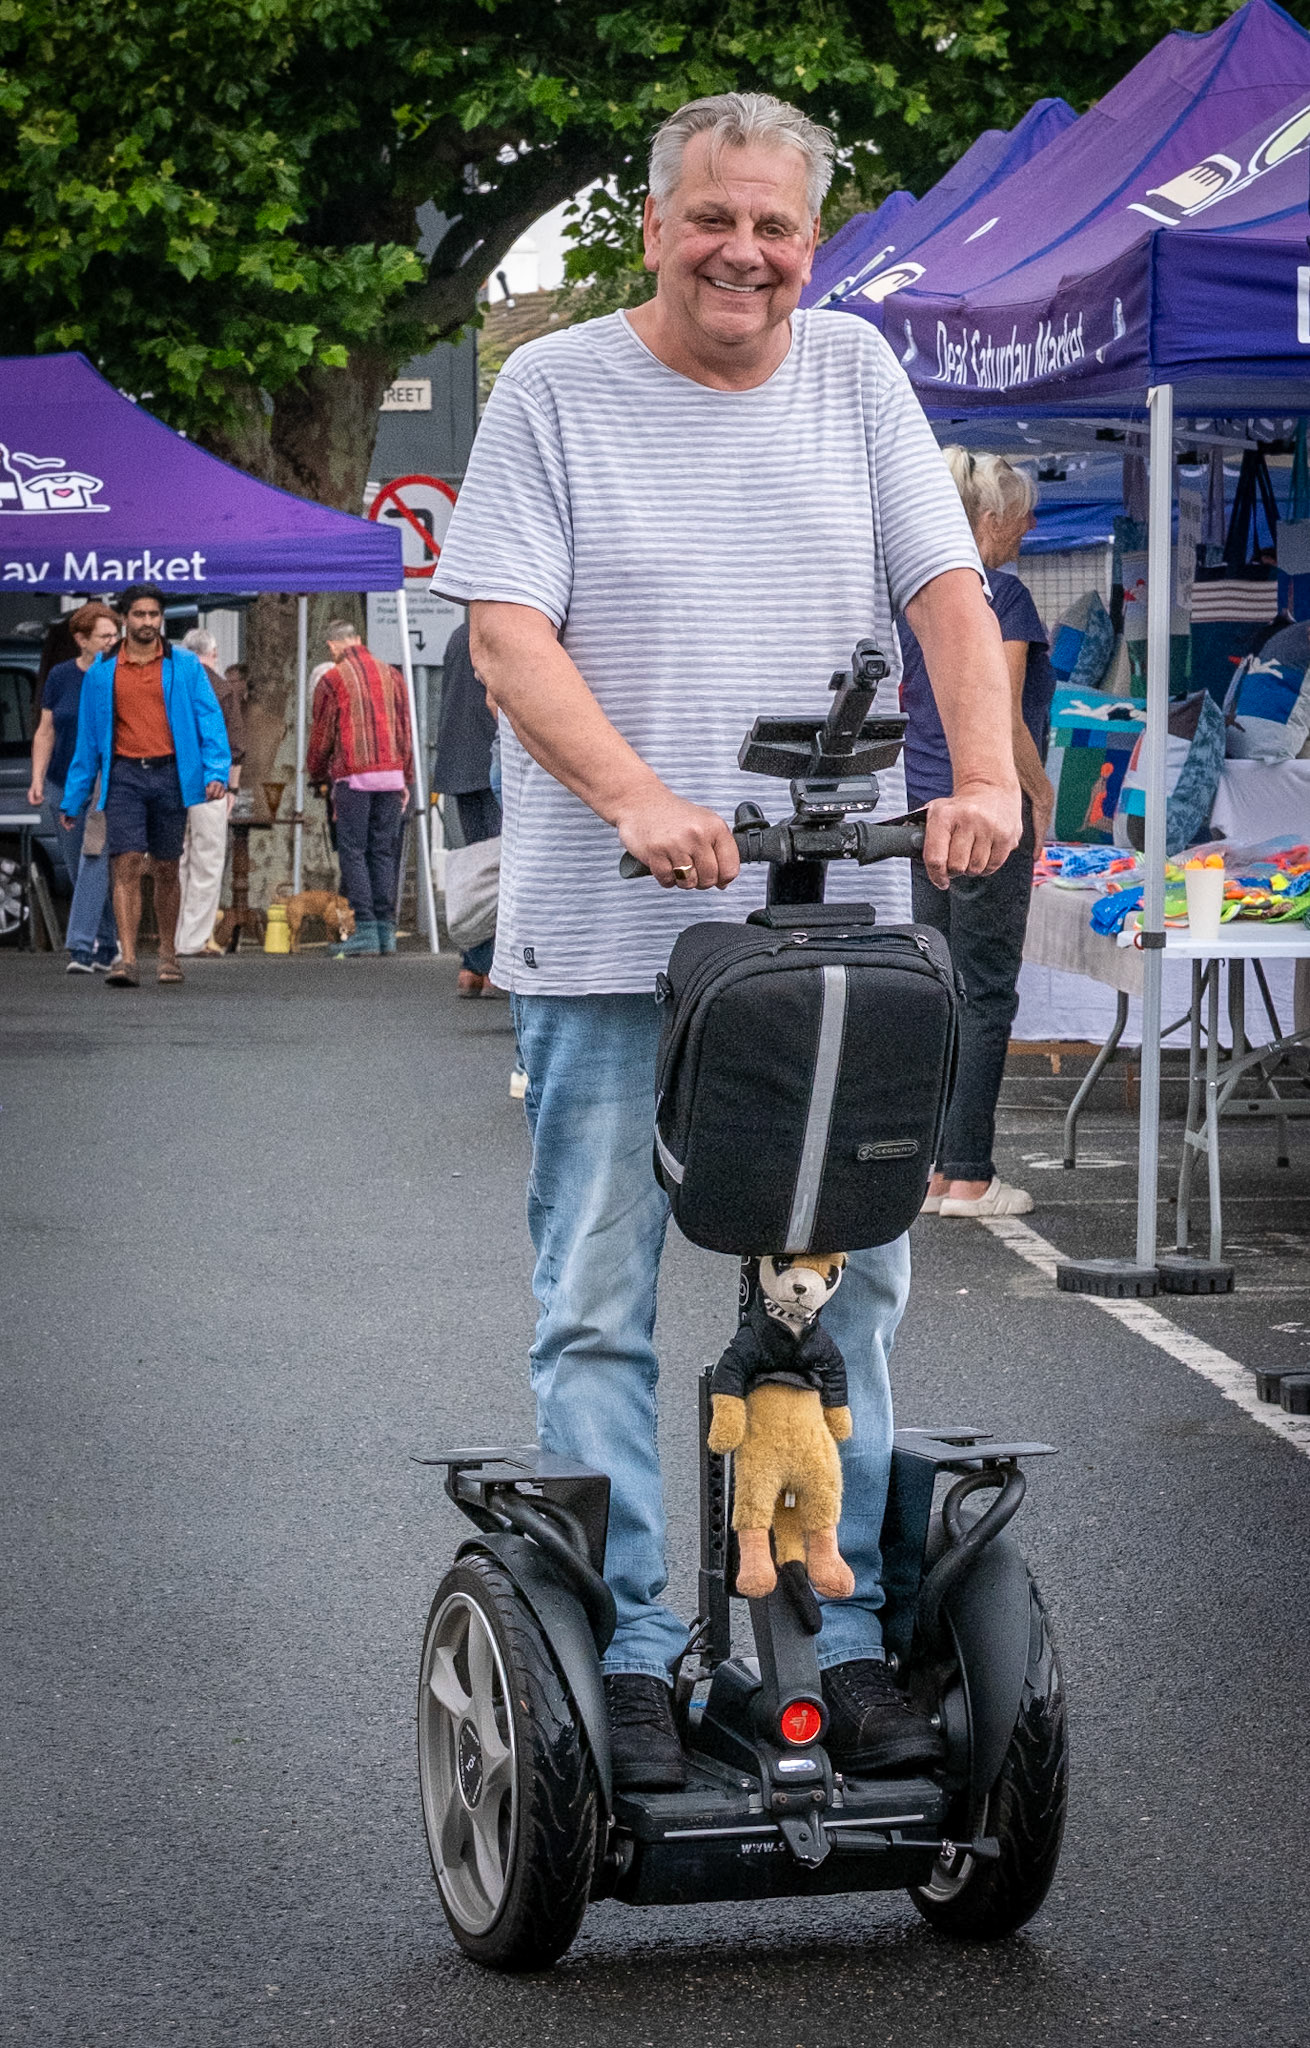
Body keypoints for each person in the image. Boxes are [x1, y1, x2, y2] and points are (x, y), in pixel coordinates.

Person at [435, 91, 1020, 1790]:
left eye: (774, 228)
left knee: (846, 1300)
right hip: (618, 938)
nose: (743, 254)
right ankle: (622, 1649)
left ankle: (836, 1641)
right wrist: (631, 795)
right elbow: (508, 636)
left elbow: (949, 597)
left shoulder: (854, 377)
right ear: (655, 224)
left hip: (832, 933)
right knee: (602, 1300)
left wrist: (980, 772)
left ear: (809, 246)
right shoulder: (553, 390)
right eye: (714, 220)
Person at [900, 449, 1056, 1220]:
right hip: (988, 813)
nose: (1030, 527)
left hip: (921, 808)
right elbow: (1001, 705)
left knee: (940, 988)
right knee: (985, 989)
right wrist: (1037, 789)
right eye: (1023, 513)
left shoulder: (915, 591)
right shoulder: (1005, 596)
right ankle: (968, 1171)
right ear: (990, 519)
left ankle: (933, 1167)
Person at [59, 583, 230, 989]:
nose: (148, 622)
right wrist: (73, 797)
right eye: (140, 615)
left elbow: (210, 720)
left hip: (172, 774)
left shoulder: (185, 665)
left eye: (154, 615)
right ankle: (128, 959)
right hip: (125, 776)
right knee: (126, 863)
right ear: (124, 619)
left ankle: (168, 956)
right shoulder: (102, 671)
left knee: (168, 867)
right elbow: (87, 740)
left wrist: (216, 772)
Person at [306, 621, 413, 957]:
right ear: (358, 639)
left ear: (333, 646)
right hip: (392, 777)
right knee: (383, 851)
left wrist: (316, 774)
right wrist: (405, 777)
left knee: (354, 851)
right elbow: (405, 729)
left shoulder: (333, 679)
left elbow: (322, 736)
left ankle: (365, 928)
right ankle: (387, 932)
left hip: (354, 776)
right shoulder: (392, 675)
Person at [26, 601, 120, 972]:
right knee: (80, 868)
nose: (112, 642)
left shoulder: (117, 674)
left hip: (100, 784)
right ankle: (108, 943)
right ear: (81, 639)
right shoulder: (61, 676)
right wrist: (37, 777)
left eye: (116, 634)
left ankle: (82, 946)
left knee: (93, 858)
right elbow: (45, 729)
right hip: (60, 782)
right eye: (104, 636)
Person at [432, 616, 501, 996]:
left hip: (457, 763)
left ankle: (471, 968)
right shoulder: (503, 629)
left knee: (477, 868)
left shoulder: (459, 636)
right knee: (501, 872)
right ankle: (492, 968)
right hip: (493, 760)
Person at [174, 628, 246, 957]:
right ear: (213, 653)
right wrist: (232, 786)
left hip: (170, 778)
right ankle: (194, 937)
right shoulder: (221, 687)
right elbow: (235, 745)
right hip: (210, 782)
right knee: (207, 860)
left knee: (176, 857)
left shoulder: (170, 679)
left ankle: (172, 933)